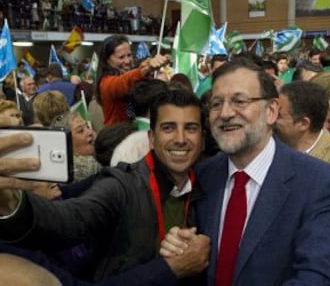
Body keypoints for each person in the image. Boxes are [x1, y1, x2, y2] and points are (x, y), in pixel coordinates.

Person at [162, 58, 330, 285]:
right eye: (217, 103)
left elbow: (320, 278)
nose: (226, 113)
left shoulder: (319, 183)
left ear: (271, 111)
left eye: (240, 101)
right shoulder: (202, 175)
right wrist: (180, 244)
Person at [0, 89, 210, 282]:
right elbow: (69, 220)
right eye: (168, 128)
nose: (181, 138)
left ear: (202, 138)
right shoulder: (120, 185)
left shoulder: (210, 182)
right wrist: (11, 203)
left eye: (191, 128)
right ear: (152, 139)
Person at [274, 81, 330, 286]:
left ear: (303, 124)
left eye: (279, 115)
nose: (270, 118)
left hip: (318, 266)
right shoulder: (268, 143)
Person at [95, 34, 168, 126]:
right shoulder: (106, 83)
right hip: (118, 136)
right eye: (121, 57)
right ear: (107, 60)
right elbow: (123, 82)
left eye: (129, 55)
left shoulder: (132, 73)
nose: (127, 61)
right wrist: (146, 69)